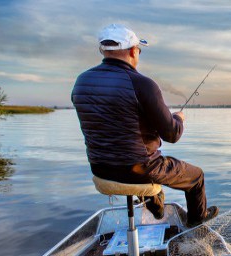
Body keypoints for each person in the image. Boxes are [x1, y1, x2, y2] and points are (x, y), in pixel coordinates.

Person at [71, 24, 218, 227]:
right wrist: (179, 119)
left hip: (100, 169)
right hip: (139, 169)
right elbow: (172, 134)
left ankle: (157, 208)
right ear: (133, 50)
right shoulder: (142, 84)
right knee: (196, 176)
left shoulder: (81, 82)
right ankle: (196, 224)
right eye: (139, 50)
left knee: (150, 166)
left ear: (103, 50)